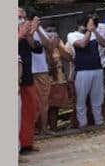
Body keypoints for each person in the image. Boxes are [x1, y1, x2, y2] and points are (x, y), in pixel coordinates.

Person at [67, 15, 105, 129]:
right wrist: (89, 32)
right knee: (81, 99)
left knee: (98, 98)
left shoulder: (93, 34)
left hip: (97, 69)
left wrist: (94, 31)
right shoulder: (72, 35)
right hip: (82, 70)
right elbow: (82, 44)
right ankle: (82, 123)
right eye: (89, 24)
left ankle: (98, 121)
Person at [18, 8, 43, 153]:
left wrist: (29, 36)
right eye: (19, 17)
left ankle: (27, 143)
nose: (22, 20)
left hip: (27, 78)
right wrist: (20, 35)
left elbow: (38, 49)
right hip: (16, 81)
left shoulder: (27, 34)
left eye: (24, 17)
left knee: (30, 111)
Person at [26, 11, 55, 136]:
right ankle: (29, 132)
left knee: (43, 101)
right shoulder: (20, 29)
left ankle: (43, 128)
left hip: (41, 70)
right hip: (26, 71)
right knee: (29, 103)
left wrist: (37, 30)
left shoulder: (40, 29)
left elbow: (49, 46)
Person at [44, 24, 72, 132]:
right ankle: (44, 129)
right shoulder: (41, 43)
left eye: (54, 31)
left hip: (59, 79)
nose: (51, 33)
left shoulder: (58, 43)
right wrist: (50, 48)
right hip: (46, 80)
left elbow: (68, 58)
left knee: (54, 107)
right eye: (48, 31)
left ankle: (53, 129)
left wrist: (58, 46)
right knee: (45, 107)